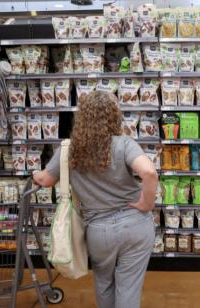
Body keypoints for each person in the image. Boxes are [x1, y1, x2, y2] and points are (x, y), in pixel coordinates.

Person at [32, 91, 158, 308]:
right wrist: (146, 204)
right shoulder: (124, 144)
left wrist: (34, 173)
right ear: (114, 115)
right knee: (128, 286)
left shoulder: (69, 149)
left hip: (99, 230)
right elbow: (149, 173)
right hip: (135, 224)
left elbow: (45, 181)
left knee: (104, 282)